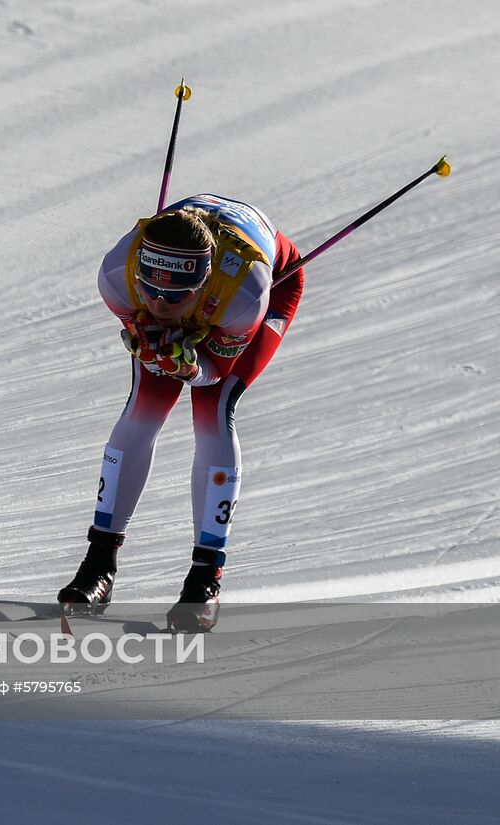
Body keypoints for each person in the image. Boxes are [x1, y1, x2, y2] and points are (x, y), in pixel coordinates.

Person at [56, 194, 306, 631]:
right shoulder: (118, 277)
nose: (160, 305)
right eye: (151, 290)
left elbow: (212, 374)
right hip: (205, 289)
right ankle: (98, 565)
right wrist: (158, 350)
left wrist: (189, 366)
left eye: (176, 296)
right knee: (143, 411)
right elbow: (150, 321)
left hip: (266, 287)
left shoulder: (244, 295)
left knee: (213, 412)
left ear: (203, 284)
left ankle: (205, 581)